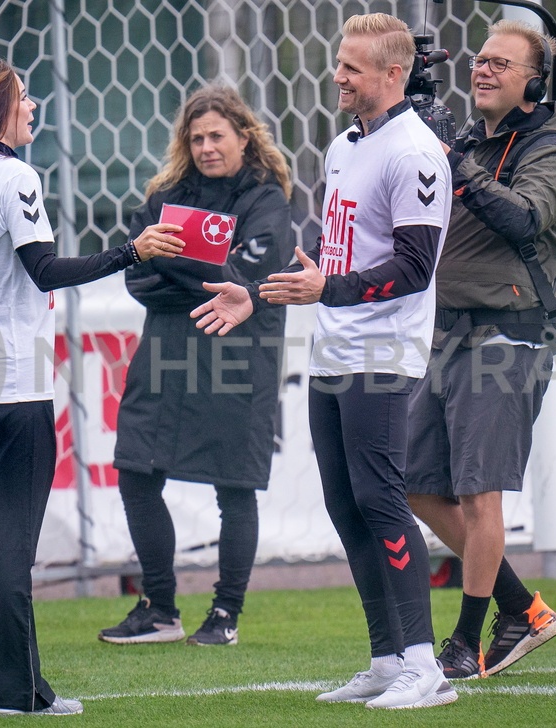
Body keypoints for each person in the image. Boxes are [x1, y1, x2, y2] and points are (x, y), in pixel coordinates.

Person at [192, 14, 457, 710]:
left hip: (384, 350)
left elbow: (415, 266)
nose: (337, 75)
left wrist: (328, 290)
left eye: (352, 67)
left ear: (393, 74)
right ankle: (386, 657)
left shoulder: (416, 152)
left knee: (380, 499)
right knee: (345, 504)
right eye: (339, 63)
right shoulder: (345, 146)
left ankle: (425, 668)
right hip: (334, 345)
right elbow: (330, 250)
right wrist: (257, 293)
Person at [0, 60, 181, 716]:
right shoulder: (12, 175)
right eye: (22, 98)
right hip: (10, 388)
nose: (33, 107)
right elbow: (43, 270)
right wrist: (131, 251)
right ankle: (18, 695)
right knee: (9, 552)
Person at [403, 19, 556, 680]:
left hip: (511, 331)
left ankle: (463, 640)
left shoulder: (552, 152)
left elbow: (523, 217)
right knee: (416, 482)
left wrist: (452, 152)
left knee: (480, 493)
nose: (482, 70)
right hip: (453, 329)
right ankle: (522, 610)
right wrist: (407, 100)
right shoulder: (475, 139)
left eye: (500, 64)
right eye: (478, 60)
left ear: (534, 83)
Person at [98, 84, 294, 647]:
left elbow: (241, 282)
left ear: (243, 137)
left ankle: (225, 614)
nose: (206, 146)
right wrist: (200, 268)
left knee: (234, 488)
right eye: (196, 136)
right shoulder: (167, 193)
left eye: (217, 136)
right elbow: (135, 273)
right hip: (165, 353)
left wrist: (174, 260)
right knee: (136, 471)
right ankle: (159, 609)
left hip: (236, 359)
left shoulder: (265, 199)